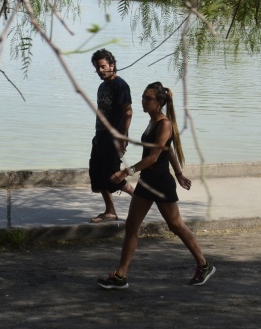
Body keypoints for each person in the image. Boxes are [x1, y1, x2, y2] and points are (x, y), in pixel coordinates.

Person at [97, 82, 214, 289]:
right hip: (147, 182)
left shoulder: (164, 123)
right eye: (142, 97)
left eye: (147, 98)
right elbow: (169, 150)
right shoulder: (152, 122)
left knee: (176, 225)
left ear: (159, 102)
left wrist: (126, 171)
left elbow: (154, 157)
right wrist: (179, 173)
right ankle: (120, 275)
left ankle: (204, 265)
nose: (143, 101)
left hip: (160, 182)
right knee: (131, 226)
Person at [88, 49, 133, 222]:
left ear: (112, 65)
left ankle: (140, 198)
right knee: (97, 173)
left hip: (114, 138)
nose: (100, 71)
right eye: (97, 68)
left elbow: (128, 112)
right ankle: (110, 211)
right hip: (100, 136)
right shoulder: (103, 86)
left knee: (112, 175)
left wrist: (122, 139)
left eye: (103, 67)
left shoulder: (120, 85)